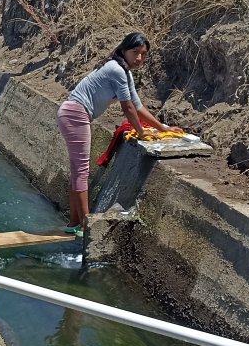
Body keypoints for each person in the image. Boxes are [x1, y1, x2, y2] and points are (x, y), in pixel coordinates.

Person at [56, 32, 181, 237]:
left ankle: (74, 224)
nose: (139, 58)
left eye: (143, 54)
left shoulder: (124, 72)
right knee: (81, 172)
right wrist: (140, 132)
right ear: (123, 50)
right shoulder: (116, 70)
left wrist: (163, 128)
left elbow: (137, 106)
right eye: (135, 53)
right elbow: (128, 108)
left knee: (78, 171)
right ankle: (87, 227)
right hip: (75, 114)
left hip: (73, 114)